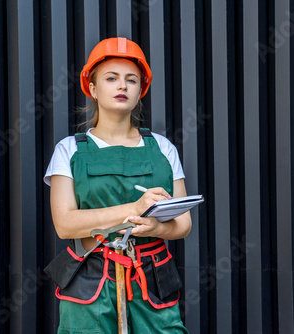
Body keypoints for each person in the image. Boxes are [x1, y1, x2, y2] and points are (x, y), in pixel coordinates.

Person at [44, 37, 191, 333]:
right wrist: (135, 209)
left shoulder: (163, 148)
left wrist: (157, 229)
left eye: (131, 80)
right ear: (94, 89)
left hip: (151, 279)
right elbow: (65, 225)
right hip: (90, 279)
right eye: (111, 78)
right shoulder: (69, 149)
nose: (122, 86)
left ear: (141, 91)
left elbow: (183, 223)